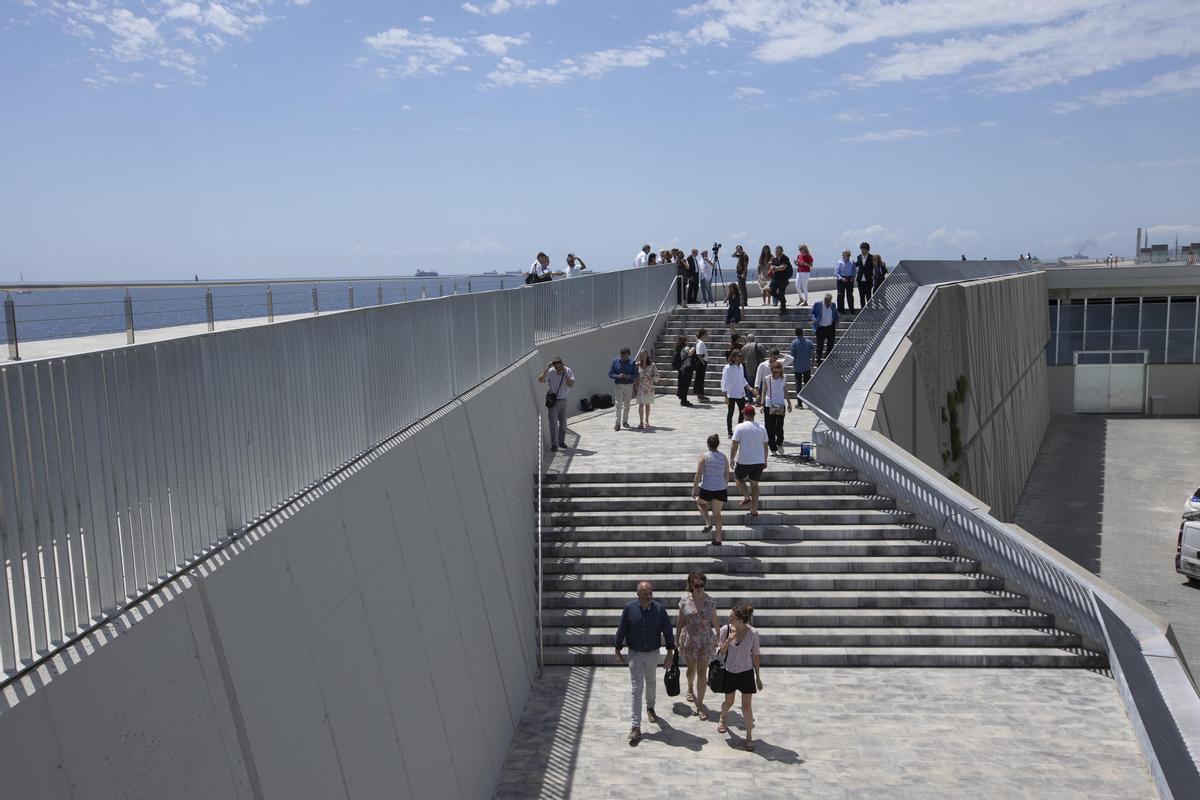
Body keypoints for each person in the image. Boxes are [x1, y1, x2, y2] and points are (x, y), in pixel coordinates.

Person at [614, 581, 676, 742]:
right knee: (636, 688)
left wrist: (670, 654)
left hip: (653, 653)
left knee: (650, 681)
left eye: (650, 593)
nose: (648, 596)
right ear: (638, 595)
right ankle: (635, 726)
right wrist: (617, 648)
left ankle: (650, 707)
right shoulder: (629, 609)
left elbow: (668, 632)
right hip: (635, 653)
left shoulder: (659, 610)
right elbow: (622, 629)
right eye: (645, 593)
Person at [716, 605, 763, 751]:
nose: (729, 619)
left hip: (746, 672)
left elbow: (755, 655)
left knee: (746, 706)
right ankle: (722, 718)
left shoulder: (753, 633)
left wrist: (758, 677)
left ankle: (749, 736)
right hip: (730, 672)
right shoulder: (726, 630)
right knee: (728, 702)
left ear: (741, 620)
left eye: (732, 617)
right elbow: (720, 653)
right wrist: (729, 640)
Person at [675, 570, 720, 718]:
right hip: (689, 639)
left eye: (702, 585)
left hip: (705, 639)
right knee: (691, 669)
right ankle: (689, 687)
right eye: (697, 585)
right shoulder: (684, 601)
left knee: (702, 673)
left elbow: (714, 619)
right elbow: (680, 621)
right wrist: (676, 638)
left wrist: (719, 635)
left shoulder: (710, 600)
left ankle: (700, 706)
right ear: (691, 585)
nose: (700, 588)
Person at [731, 405, 768, 516]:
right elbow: (766, 445)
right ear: (754, 415)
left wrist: (731, 458)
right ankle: (754, 509)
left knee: (737, 477)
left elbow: (735, 444)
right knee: (755, 485)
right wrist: (765, 460)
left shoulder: (740, 427)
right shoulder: (762, 427)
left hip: (744, 460)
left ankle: (746, 496)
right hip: (758, 461)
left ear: (745, 415)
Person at [693, 436, 730, 545]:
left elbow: (698, 474)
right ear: (717, 444)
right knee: (717, 514)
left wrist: (694, 487)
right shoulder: (723, 457)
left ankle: (708, 522)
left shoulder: (704, 457)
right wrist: (725, 485)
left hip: (707, 487)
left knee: (700, 503)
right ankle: (718, 539)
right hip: (721, 488)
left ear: (708, 444)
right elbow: (727, 473)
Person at [537, 357, 575, 451]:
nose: (556, 367)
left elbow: (570, 384)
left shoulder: (568, 370)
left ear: (561, 363)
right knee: (553, 423)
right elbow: (540, 380)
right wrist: (546, 369)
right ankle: (554, 444)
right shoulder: (550, 371)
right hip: (553, 400)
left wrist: (565, 373)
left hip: (563, 400)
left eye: (558, 364)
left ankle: (561, 442)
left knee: (563, 423)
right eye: (554, 364)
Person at [758, 360, 791, 454]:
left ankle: (779, 443)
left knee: (779, 427)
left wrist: (789, 403)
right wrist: (762, 405)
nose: (777, 373)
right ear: (772, 370)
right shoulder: (767, 379)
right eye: (775, 371)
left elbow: (786, 391)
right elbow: (763, 392)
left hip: (780, 404)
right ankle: (772, 447)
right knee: (769, 427)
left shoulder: (783, 378)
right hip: (769, 405)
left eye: (779, 371)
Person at [721, 349, 751, 437]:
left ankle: (739, 429)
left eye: (741, 356)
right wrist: (725, 395)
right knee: (730, 413)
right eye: (739, 356)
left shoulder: (741, 366)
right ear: (733, 357)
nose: (740, 358)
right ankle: (730, 431)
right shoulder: (728, 368)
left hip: (740, 393)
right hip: (731, 394)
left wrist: (749, 387)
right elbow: (724, 381)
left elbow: (742, 379)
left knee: (742, 412)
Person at [608, 347, 637, 431]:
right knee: (618, 404)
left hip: (629, 385)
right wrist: (617, 376)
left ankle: (625, 421)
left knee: (627, 404)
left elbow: (636, 375)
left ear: (628, 355)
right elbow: (610, 374)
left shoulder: (632, 362)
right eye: (621, 354)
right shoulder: (615, 362)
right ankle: (617, 424)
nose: (623, 356)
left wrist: (628, 376)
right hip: (619, 385)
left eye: (625, 355)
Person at [811, 293, 839, 366]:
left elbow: (835, 314)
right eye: (826, 302)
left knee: (831, 345)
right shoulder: (817, 304)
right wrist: (814, 319)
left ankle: (827, 358)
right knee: (820, 346)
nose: (827, 304)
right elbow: (812, 314)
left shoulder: (833, 305)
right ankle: (818, 360)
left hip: (830, 328)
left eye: (829, 302)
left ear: (830, 301)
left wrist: (836, 322)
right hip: (820, 328)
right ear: (824, 300)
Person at [634, 350, 658, 429]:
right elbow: (635, 376)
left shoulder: (652, 365)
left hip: (648, 387)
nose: (642, 357)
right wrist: (635, 386)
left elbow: (657, 375)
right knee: (641, 404)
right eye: (641, 355)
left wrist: (651, 378)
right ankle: (641, 422)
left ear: (647, 355)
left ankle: (647, 420)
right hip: (640, 387)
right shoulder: (637, 365)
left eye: (644, 355)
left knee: (647, 404)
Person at [790, 327, 814, 403]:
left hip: (797, 367)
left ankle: (799, 404)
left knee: (798, 385)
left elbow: (792, 355)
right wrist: (812, 363)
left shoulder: (794, 343)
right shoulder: (809, 342)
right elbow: (813, 354)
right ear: (802, 332)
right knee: (807, 384)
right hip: (807, 366)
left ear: (795, 333)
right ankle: (808, 401)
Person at [672, 335, 695, 407]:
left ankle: (683, 399)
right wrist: (695, 346)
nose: (688, 342)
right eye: (687, 340)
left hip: (681, 370)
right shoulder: (686, 348)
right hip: (686, 369)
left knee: (682, 385)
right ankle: (684, 401)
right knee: (685, 385)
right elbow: (689, 353)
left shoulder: (679, 349)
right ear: (684, 342)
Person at [768, 245, 792, 314]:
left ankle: (783, 310)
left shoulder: (785, 258)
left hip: (783, 279)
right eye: (776, 251)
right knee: (770, 290)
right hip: (775, 278)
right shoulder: (774, 258)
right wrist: (772, 267)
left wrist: (775, 268)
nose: (778, 253)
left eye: (779, 251)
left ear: (782, 251)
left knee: (781, 294)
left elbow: (783, 267)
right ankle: (783, 301)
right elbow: (771, 266)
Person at [692, 328, 711, 403]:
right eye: (706, 335)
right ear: (702, 335)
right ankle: (700, 395)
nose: (707, 336)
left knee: (700, 379)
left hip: (701, 363)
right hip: (701, 363)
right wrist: (703, 362)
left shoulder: (700, 342)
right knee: (700, 379)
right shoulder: (700, 343)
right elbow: (699, 354)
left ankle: (700, 394)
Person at [835, 249, 857, 313]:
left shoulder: (852, 261)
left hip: (850, 279)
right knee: (840, 295)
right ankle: (840, 310)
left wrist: (853, 277)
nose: (848, 256)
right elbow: (836, 273)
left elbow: (854, 271)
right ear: (843, 255)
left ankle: (851, 309)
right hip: (841, 279)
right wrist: (841, 278)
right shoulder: (839, 262)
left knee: (850, 295)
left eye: (849, 255)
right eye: (847, 255)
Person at [855, 241, 873, 308]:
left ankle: (869, 310)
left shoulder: (872, 257)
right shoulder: (859, 257)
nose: (862, 251)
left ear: (868, 249)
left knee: (868, 296)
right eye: (861, 249)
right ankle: (862, 309)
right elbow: (856, 264)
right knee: (861, 296)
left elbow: (876, 265)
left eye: (863, 249)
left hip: (868, 280)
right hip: (860, 280)